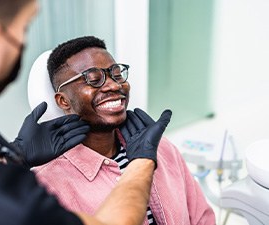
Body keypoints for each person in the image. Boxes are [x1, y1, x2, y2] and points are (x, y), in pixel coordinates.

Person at [0, 1, 172, 225]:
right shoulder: (3, 196)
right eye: (24, 28)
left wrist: (13, 157)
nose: (112, 85)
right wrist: (141, 161)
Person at [24, 36, 216, 225]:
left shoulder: (161, 149)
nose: (114, 85)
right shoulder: (48, 185)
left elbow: (203, 219)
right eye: (93, 79)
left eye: (116, 74)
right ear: (63, 101)